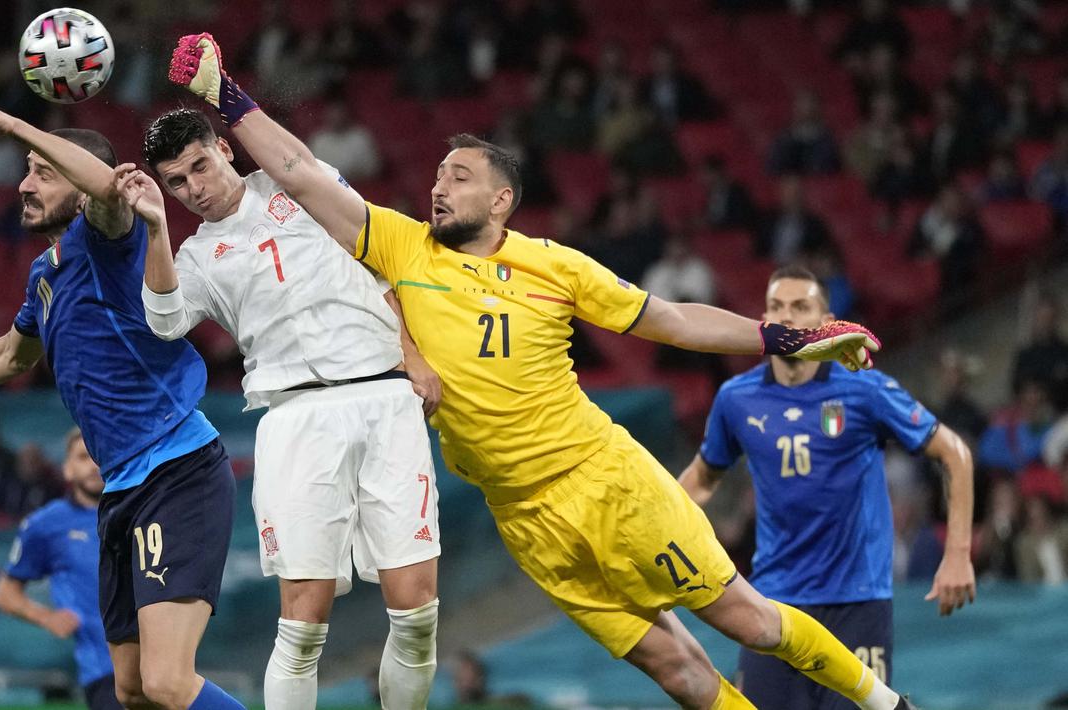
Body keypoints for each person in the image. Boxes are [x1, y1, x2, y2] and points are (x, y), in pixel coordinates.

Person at [167, 34, 917, 710]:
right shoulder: (401, 245)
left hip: (602, 481)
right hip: (523, 520)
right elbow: (299, 173)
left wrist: (782, 336)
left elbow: (672, 320)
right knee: (676, 672)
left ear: (500, 200)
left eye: (459, 177)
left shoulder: (554, 265)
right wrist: (225, 95)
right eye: (437, 174)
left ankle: (884, 703)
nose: (438, 187)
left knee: (747, 622)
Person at [0, 105, 243, 710]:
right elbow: (11, 356)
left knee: (168, 682)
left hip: (176, 470)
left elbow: (108, 189)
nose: (24, 185)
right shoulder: (46, 272)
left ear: (81, 183)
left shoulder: (106, 238)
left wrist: (14, 125)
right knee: (130, 689)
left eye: (43, 173)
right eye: (26, 171)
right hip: (121, 488)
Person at [116, 102, 441, 710]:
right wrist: (156, 227)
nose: (194, 188)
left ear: (225, 149)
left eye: (200, 166)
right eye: (177, 182)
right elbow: (164, 322)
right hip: (293, 418)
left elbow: (379, 267)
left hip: (382, 395)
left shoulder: (301, 186)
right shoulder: (194, 255)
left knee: (417, 611)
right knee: (301, 624)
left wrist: (413, 354)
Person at [678, 266, 977, 710]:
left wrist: (957, 554)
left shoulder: (863, 390)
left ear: (826, 323)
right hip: (773, 605)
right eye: (777, 307)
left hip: (857, 604)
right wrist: (650, 530)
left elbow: (954, 452)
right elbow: (703, 478)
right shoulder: (736, 399)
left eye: (801, 307)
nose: (787, 317)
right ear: (763, 320)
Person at [0, 429, 122, 710]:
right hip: (104, 672)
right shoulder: (46, 524)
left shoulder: (142, 513)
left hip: (163, 667)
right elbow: (5, 594)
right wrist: (47, 617)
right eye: (83, 457)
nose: (93, 465)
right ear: (67, 469)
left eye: (99, 456)